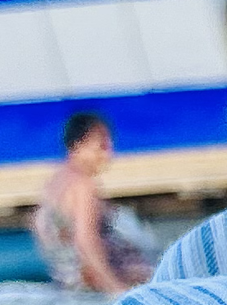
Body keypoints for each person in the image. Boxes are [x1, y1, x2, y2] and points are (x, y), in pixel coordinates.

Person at [33, 111, 157, 294]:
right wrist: (114, 288)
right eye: (101, 145)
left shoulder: (56, 183)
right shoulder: (83, 186)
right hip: (92, 281)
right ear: (78, 145)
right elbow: (86, 241)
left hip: (66, 279)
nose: (108, 153)